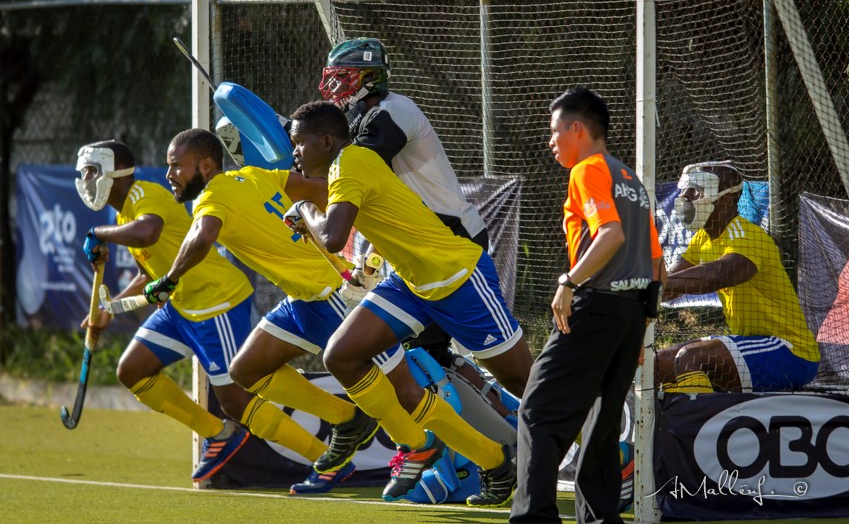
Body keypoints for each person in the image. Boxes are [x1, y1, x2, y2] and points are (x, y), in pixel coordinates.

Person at [284, 101, 534, 507]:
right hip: (409, 282)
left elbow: (330, 236)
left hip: (456, 277)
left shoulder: (351, 163)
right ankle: (480, 458)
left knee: (526, 383)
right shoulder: (345, 166)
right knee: (343, 356)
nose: (294, 152)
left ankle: (616, 456)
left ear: (327, 141)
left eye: (298, 143)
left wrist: (304, 210)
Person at [143, 128, 403, 494]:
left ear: (205, 165)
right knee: (246, 370)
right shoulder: (253, 175)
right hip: (301, 297)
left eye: (176, 166)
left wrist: (169, 280)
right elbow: (319, 190)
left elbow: (203, 236)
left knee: (404, 383)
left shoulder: (212, 198)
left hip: (331, 292)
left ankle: (450, 455)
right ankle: (348, 418)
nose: (170, 174)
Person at [510, 88, 663, 524]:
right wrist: (642, 326)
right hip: (631, 315)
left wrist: (568, 281)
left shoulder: (588, 170)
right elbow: (657, 263)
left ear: (577, 128)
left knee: (538, 411)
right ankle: (599, 518)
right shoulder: (632, 181)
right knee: (603, 421)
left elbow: (610, 235)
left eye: (555, 131)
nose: (551, 141)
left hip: (595, 305)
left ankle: (533, 516)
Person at [76, 140, 255, 483]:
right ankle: (218, 434)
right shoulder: (123, 212)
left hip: (212, 299)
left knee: (244, 396)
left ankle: (327, 456)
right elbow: (148, 274)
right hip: (179, 305)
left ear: (113, 173)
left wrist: (97, 232)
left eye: (91, 171)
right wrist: (106, 311)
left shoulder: (145, 197)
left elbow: (147, 233)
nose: (85, 179)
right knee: (132, 370)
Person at [319, 37, 488, 366]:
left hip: (452, 242)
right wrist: (368, 262)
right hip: (422, 248)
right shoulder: (366, 122)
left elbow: (356, 172)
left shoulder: (393, 111)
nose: (334, 89)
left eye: (343, 79)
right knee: (424, 357)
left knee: (435, 357)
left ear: (369, 79)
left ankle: (520, 412)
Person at [657, 161, 820, 392]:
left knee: (692, 359)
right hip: (752, 345)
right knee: (657, 365)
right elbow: (669, 287)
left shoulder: (748, 236)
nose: (684, 198)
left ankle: (699, 425)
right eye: (683, 191)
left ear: (723, 199)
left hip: (790, 351)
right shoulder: (702, 238)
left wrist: (658, 282)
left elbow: (719, 274)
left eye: (694, 191)